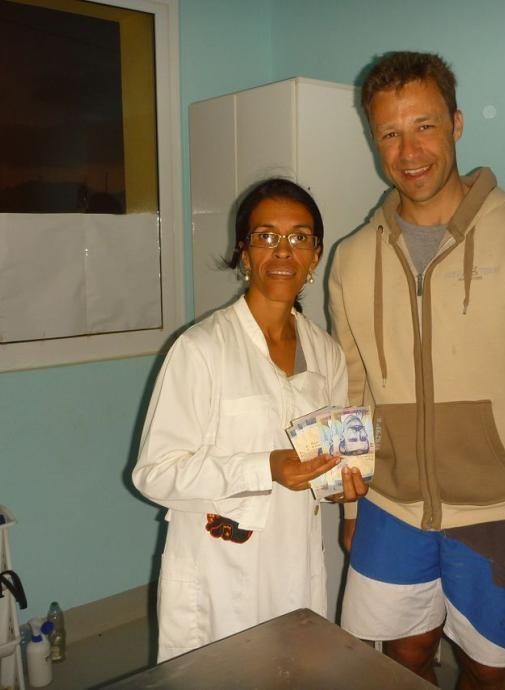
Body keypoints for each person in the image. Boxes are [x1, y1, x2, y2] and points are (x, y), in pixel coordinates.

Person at [328, 52, 505, 689]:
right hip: (390, 507)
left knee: (486, 670)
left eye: (424, 125)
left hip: (497, 510)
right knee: (402, 657)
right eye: (390, 133)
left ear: (457, 123)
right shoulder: (352, 258)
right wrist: (351, 505)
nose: (409, 150)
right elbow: (351, 390)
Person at [133, 178, 367, 661]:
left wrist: (341, 486)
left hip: (295, 558)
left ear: (316, 255)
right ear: (244, 252)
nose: (283, 252)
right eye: (266, 236)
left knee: (292, 667)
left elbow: (328, 464)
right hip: (219, 564)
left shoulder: (326, 353)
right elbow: (154, 474)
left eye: (299, 237)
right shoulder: (200, 349)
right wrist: (265, 467)